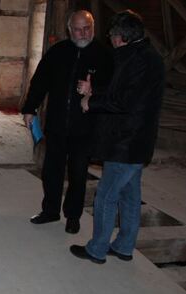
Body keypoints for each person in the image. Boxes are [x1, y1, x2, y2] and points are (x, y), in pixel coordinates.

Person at [70, 9, 165, 264]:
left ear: (120, 37)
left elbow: (123, 101)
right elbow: (122, 90)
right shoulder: (143, 55)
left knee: (106, 195)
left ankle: (97, 248)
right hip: (136, 142)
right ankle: (124, 245)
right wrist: (96, 90)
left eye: (111, 35)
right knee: (130, 196)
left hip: (126, 142)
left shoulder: (137, 61)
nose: (110, 39)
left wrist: (92, 101)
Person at [21, 10, 113, 234]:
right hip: (57, 124)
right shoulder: (58, 52)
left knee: (78, 174)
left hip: (85, 127)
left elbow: (114, 90)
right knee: (51, 170)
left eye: (87, 28)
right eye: (78, 29)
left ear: (93, 27)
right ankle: (50, 211)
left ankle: (73, 216)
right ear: (69, 30)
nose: (83, 33)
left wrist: (94, 90)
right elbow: (40, 81)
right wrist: (29, 108)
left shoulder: (103, 55)